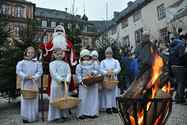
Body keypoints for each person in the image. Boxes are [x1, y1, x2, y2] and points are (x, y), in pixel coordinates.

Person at [39, 25, 77, 96]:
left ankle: (66, 100)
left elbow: (71, 54)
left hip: (65, 66)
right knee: (54, 84)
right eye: (57, 31)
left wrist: (68, 50)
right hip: (55, 66)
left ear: (64, 33)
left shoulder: (67, 42)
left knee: (66, 85)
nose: (59, 32)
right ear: (55, 32)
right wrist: (43, 50)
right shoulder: (51, 43)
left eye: (61, 31)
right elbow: (46, 57)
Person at [16, 46, 43, 123]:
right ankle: (25, 117)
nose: (30, 54)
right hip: (25, 83)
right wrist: (25, 76)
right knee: (26, 99)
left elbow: (39, 72)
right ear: (26, 54)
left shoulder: (38, 63)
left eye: (32, 53)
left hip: (34, 82)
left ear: (34, 54)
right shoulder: (21, 63)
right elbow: (18, 71)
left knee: (34, 99)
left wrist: (34, 77)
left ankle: (34, 116)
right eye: (29, 53)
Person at [48, 48, 71, 122]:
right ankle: (56, 116)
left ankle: (64, 114)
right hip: (56, 84)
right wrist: (60, 80)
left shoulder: (66, 64)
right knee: (57, 99)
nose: (59, 55)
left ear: (63, 55)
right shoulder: (52, 64)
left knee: (64, 99)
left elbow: (69, 73)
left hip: (64, 84)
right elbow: (53, 73)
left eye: (61, 54)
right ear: (54, 55)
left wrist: (67, 80)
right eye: (57, 54)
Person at [76, 49, 100, 119]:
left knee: (93, 98)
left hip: (92, 82)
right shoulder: (79, 65)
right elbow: (78, 75)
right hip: (84, 83)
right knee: (83, 98)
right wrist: (81, 81)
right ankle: (82, 113)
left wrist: (93, 72)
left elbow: (98, 70)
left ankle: (93, 112)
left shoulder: (93, 63)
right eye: (84, 56)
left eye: (87, 56)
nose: (86, 58)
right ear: (82, 57)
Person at [100, 47, 121, 114]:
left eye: (110, 53)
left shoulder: (115, 61)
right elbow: (101, 69)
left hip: (113, 78)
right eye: (107, 53)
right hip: (106, 78)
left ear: (112, 54)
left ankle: (114, 106)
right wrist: (106, 73)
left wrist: (112, 72)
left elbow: (118, 68)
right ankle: (108, 107)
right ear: (105, 54)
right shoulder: (103, 62)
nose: (108, 55)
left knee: (114, 92)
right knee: (107, 93)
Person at [169, 34, 187, 104]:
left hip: (173, 67)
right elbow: (182, 56)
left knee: (179, 83)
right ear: (183, 39)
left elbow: (170, 58)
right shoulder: (181, 45)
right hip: (179, 66)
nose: (186, 42)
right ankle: (181, 100)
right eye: (186, 41)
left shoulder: (173, 47)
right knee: (182, 83)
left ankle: (177, 99)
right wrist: (185, 65)